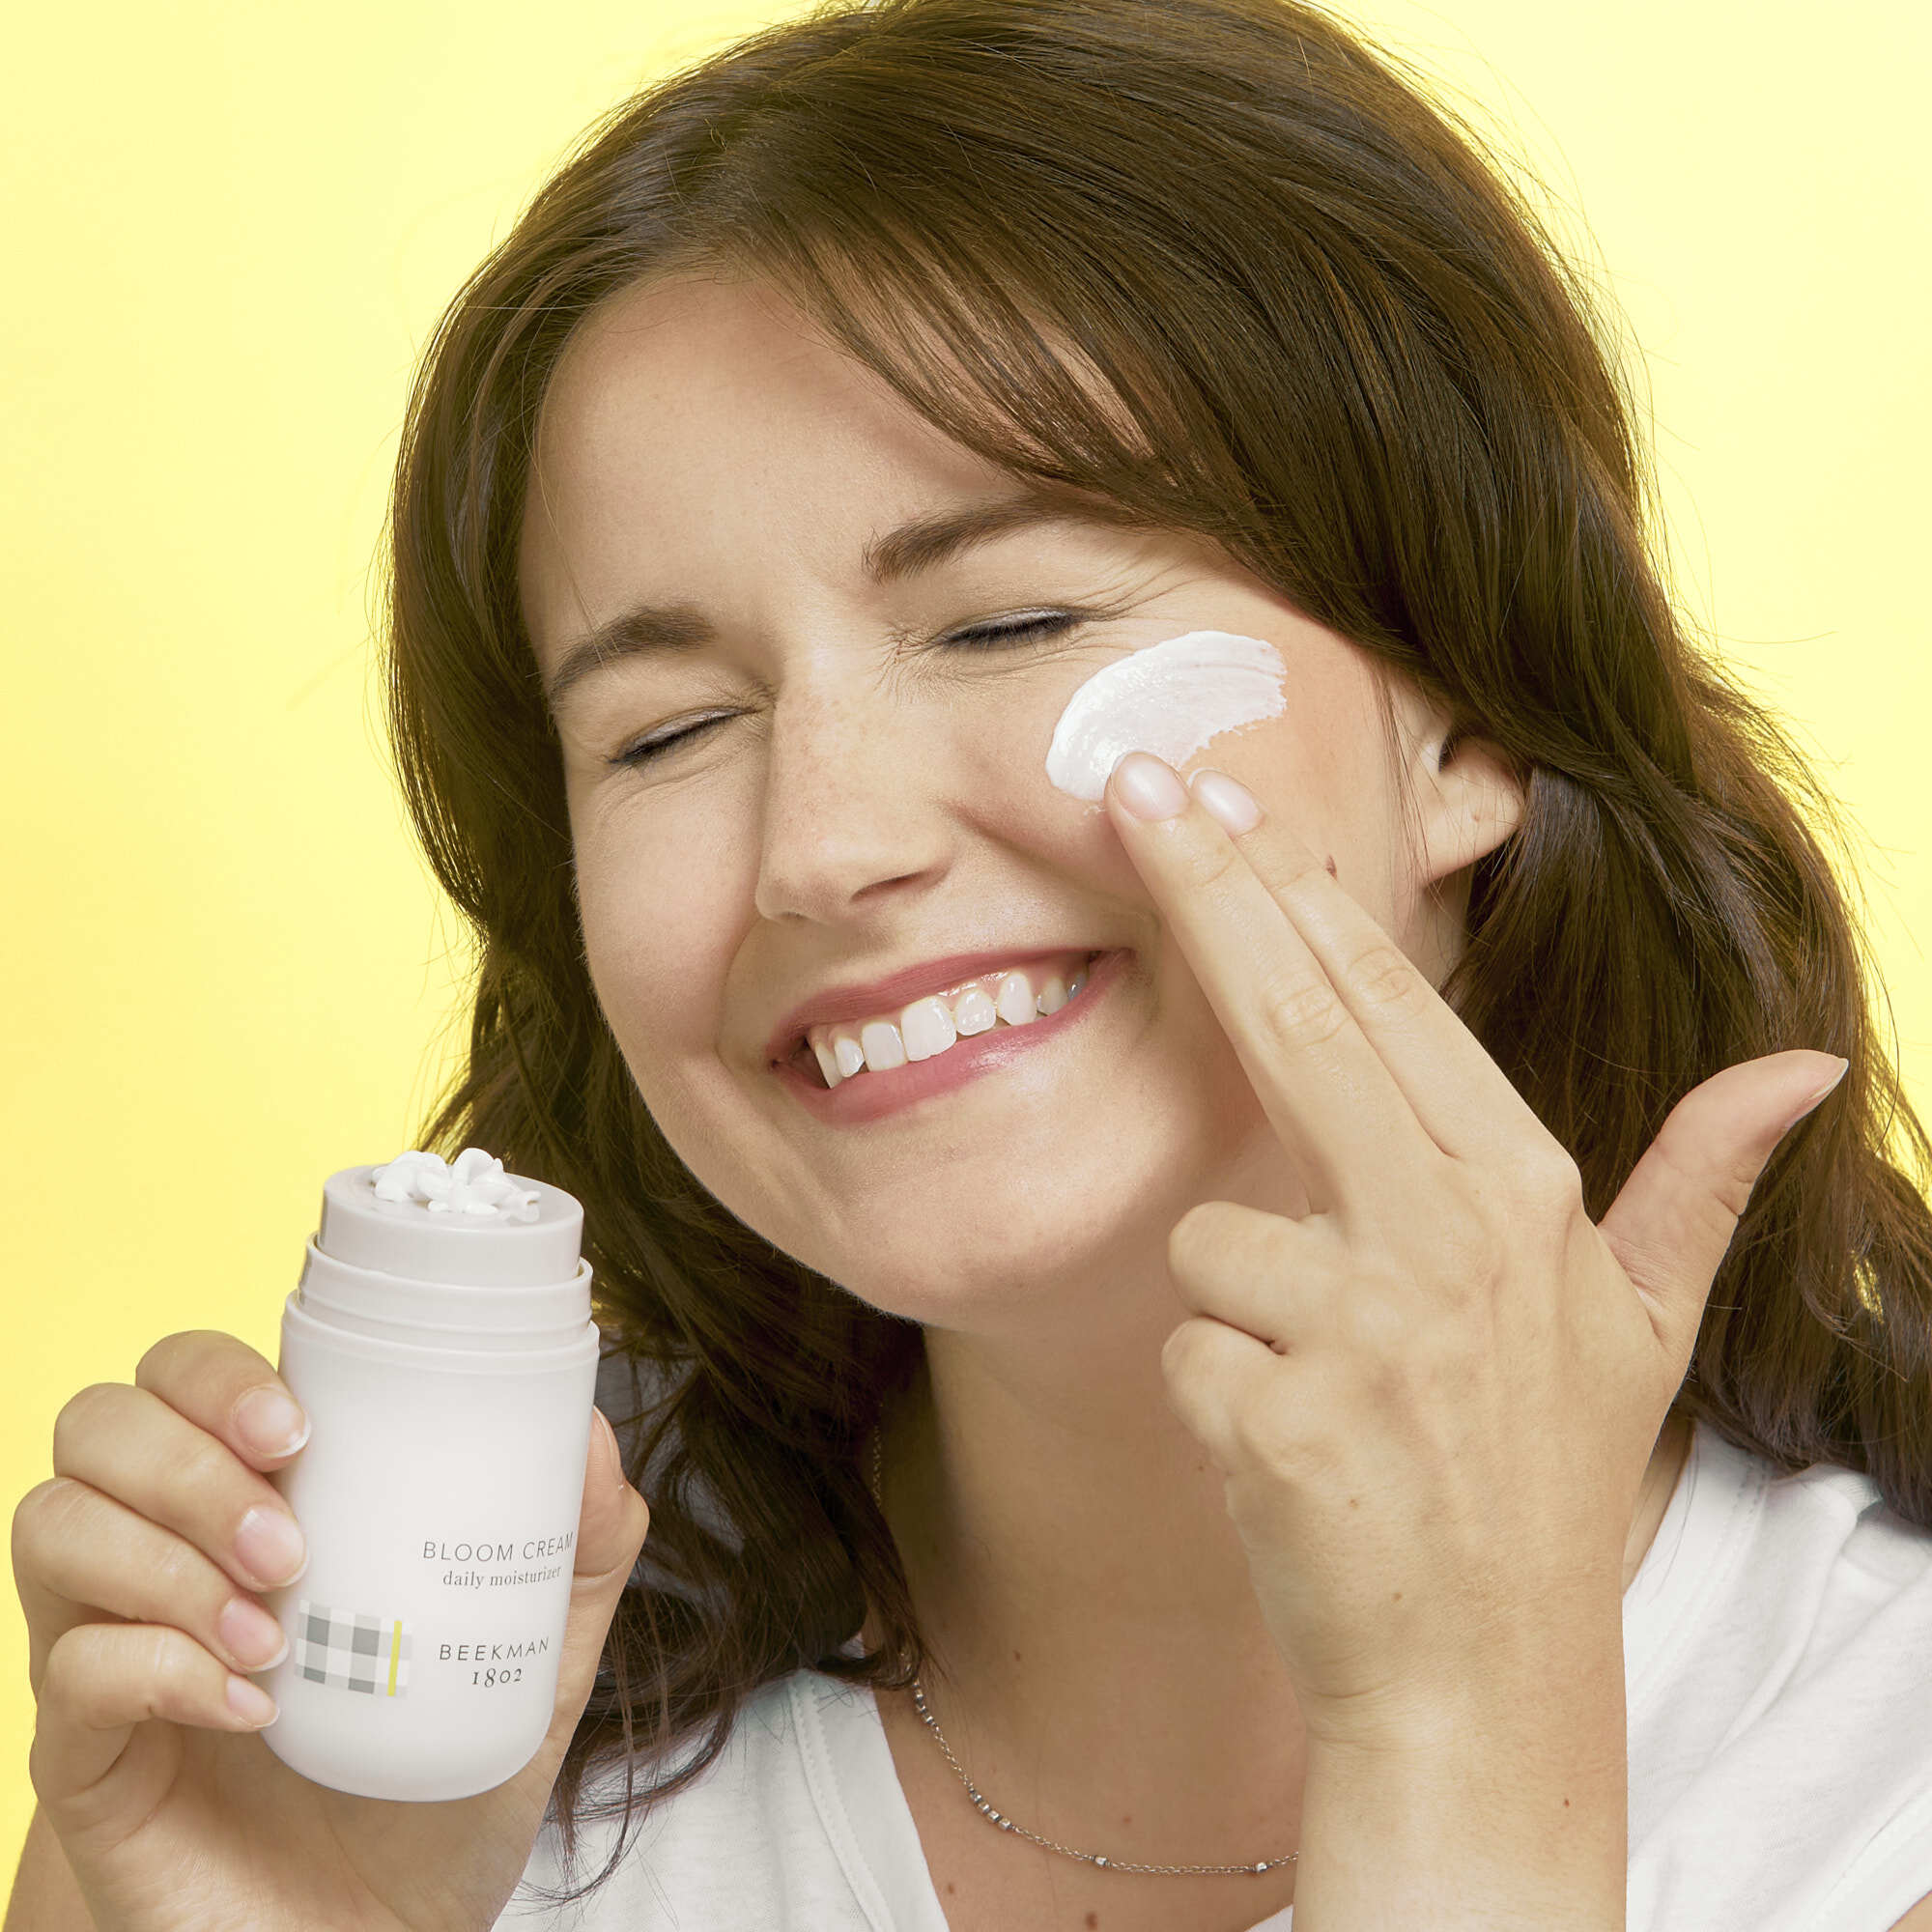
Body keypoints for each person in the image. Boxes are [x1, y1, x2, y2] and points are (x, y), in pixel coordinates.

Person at [11, 1, 1932, 1927]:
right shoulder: (434, 1705)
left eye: (1007, 623)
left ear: (1468, 716)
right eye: (669, 731)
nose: (822, 847)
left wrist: (1469, 1749)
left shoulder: (1881, 1750)